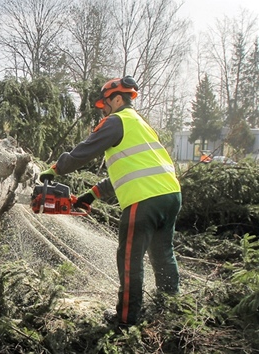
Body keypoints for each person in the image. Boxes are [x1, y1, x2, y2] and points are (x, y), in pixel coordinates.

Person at [39, 76, 182, 327]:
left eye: (105, 104)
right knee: (163, 254)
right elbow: (132, 171)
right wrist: (91, 194)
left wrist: (55, 169)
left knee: (129, 259)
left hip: (144, 200)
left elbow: (84, 150)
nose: (103, 110)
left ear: (117, 99)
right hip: (170, 196)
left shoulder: (116, 120)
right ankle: (170, 307)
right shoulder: (142, 125)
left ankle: (126, 320)